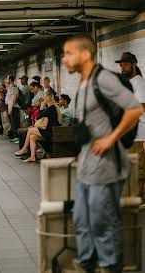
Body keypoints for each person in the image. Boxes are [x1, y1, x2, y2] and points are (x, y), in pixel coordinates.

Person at [63, 35, 143, 273]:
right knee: (81, 220)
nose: (64, 59)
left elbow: (135, 109)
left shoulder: (103, 79)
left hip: (106, 167)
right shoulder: (83, 82)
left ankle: (110, 266)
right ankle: (86, 264)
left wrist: (110, 138)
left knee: (102, 222)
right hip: (87, 165)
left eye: (69, 53)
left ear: (85, 54)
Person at [116, 52, 145, 203]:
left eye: (126, 64)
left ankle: (139, 198)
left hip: (136, 133)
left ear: (134, 65)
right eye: (121, 65)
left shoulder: (138, 82)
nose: (123, 67)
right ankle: (132, 197)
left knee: (137, 168)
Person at [15, 92, 62, 161]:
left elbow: (38, 117)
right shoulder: (54, 107)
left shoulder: (51, 107)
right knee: (32, 137)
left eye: (44, 99)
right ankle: (32, 157)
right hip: (51, 131)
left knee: (30, 130)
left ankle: (24, 149)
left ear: (46, 99)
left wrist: (42, 106)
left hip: (50, 132)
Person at [5, 75, 20, 144]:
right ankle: (15, 137)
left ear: (10, 80)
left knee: (14, 122)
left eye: (7, 79)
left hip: (14, 107)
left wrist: (10, 108)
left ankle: (17, 137)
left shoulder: (14, 88)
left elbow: (13, 98)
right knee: (12, 122)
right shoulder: (10, 88)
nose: (6, 80)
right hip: (11, 107)